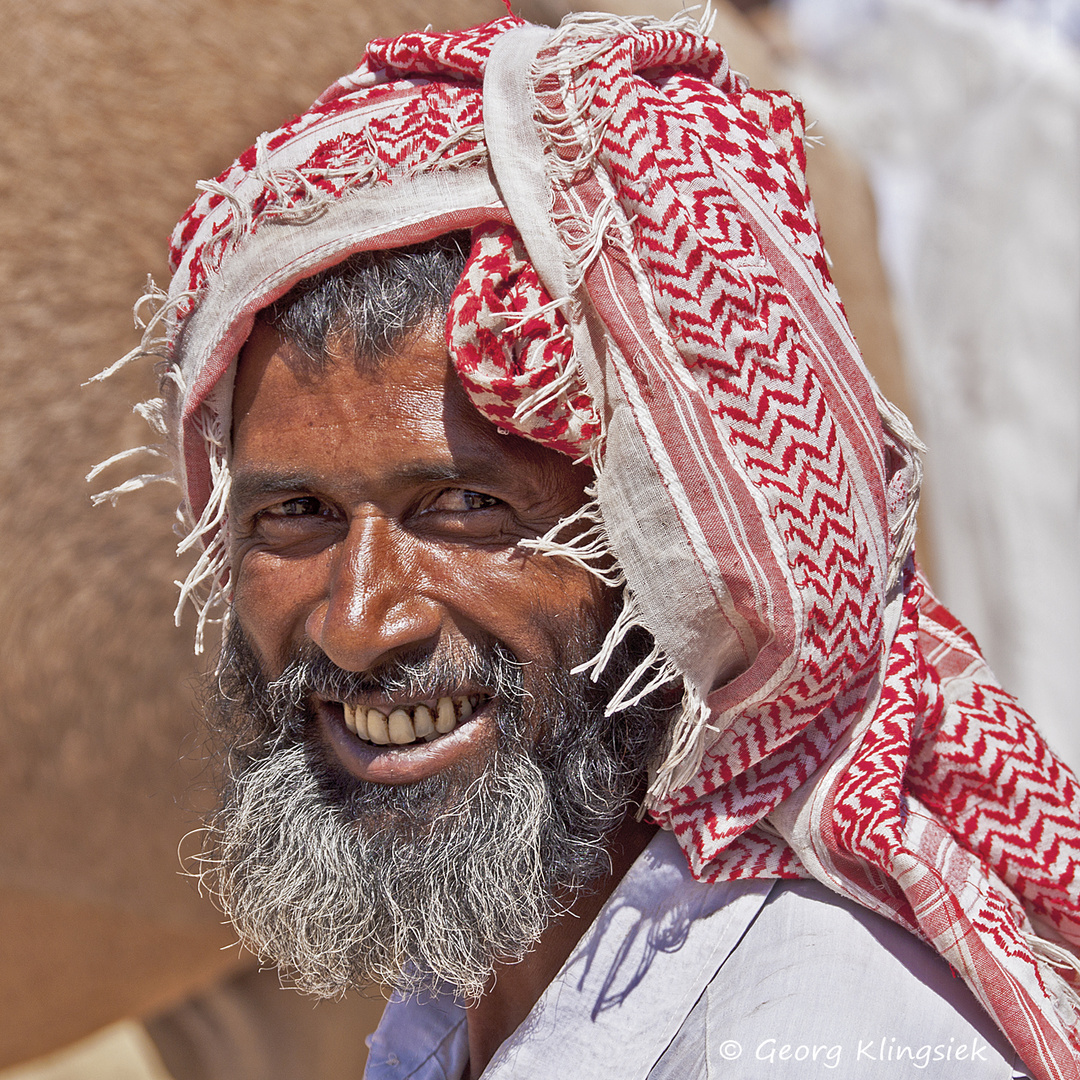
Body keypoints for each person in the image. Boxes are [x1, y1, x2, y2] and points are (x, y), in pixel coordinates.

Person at [98, 11, 1080, 1079]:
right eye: (295, 517)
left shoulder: (818, 1044)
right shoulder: (459, 1009)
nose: (356, 622)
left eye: (463, 509)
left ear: (684, 567)